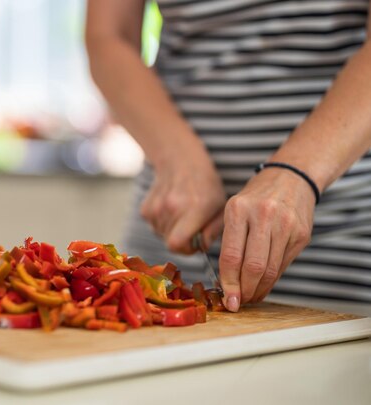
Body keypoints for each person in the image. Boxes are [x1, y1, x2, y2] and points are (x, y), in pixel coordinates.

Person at [85, 0, 371, 311]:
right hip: (175, 234)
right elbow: (108, 35)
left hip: (344, 242)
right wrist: (178, 161)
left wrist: (295, 174)